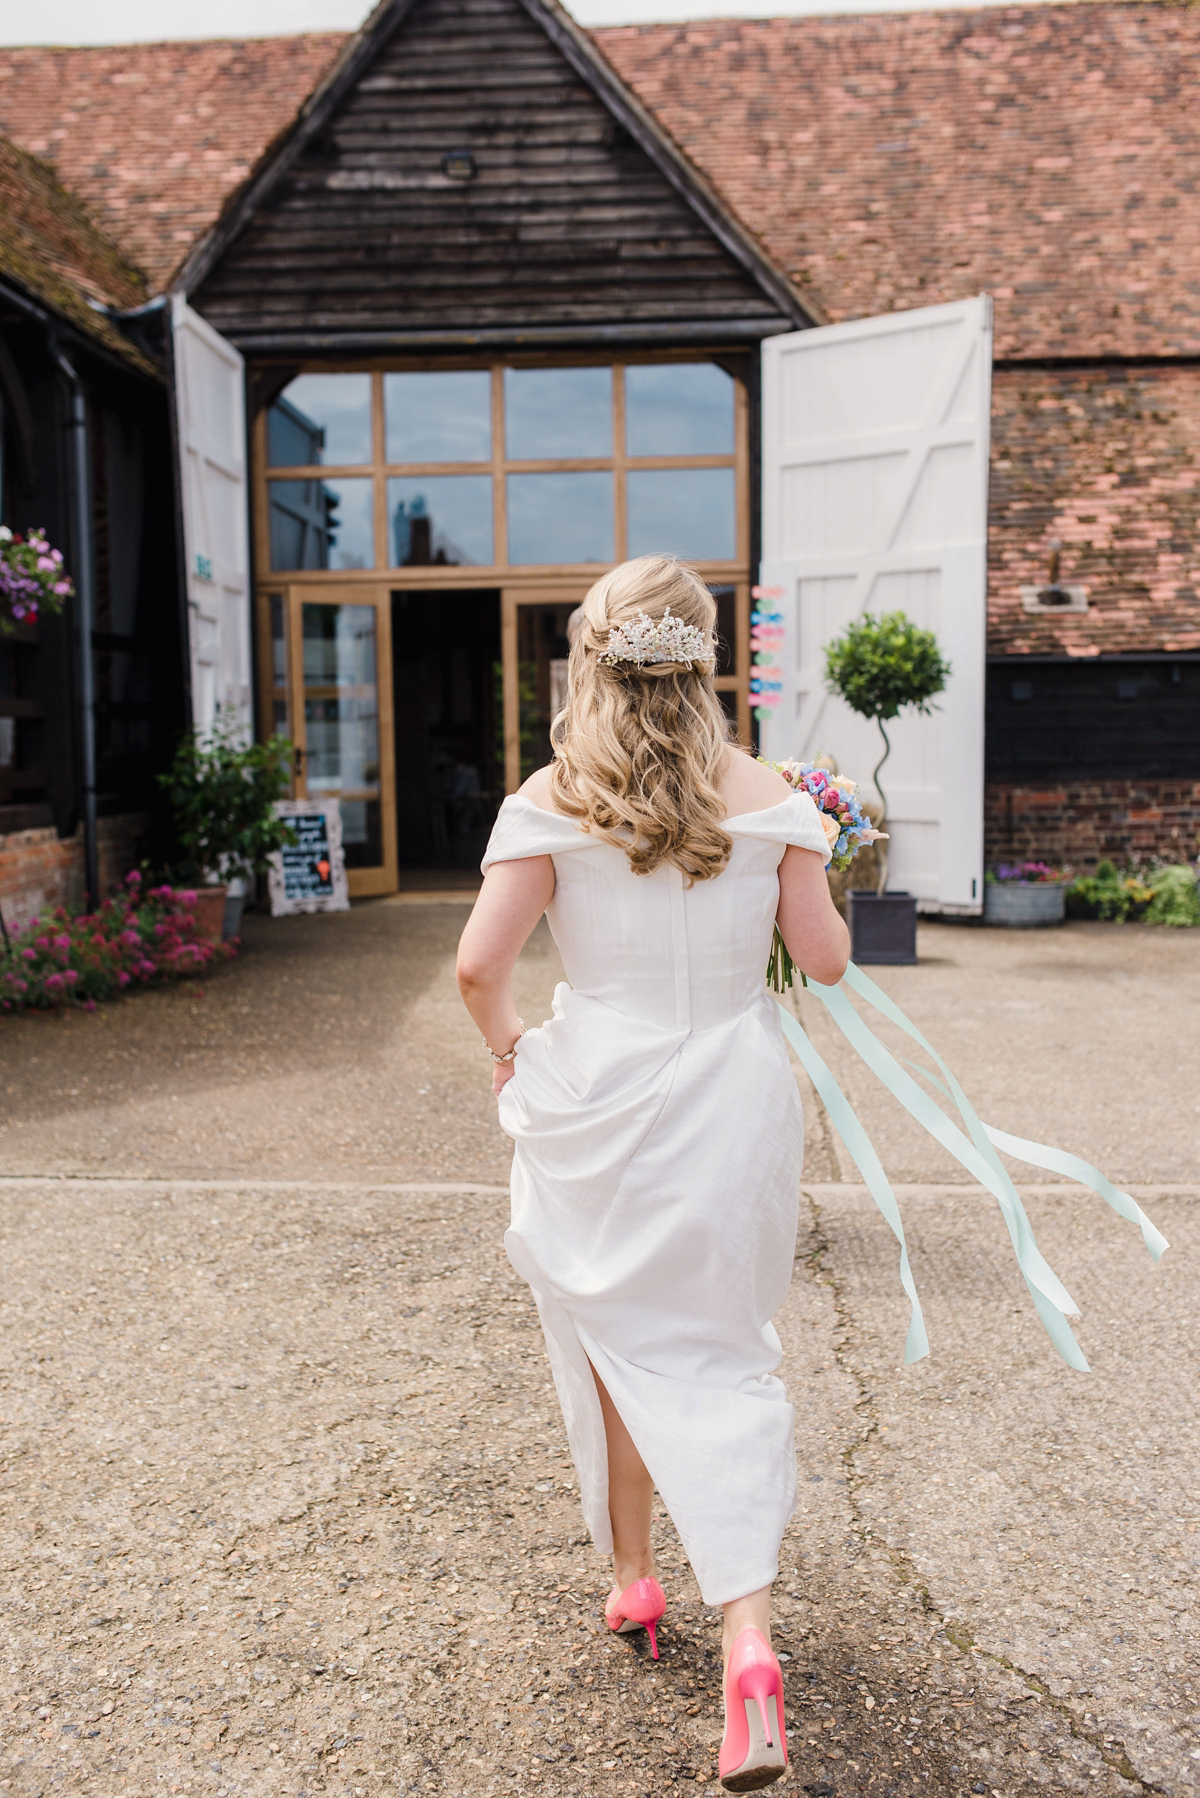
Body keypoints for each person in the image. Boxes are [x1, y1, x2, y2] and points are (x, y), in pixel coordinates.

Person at [456, 554, 849, 1792]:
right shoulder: (773, 794)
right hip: (733, 1095)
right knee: (718, 1350)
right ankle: (746, 1636)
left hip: (599, 1100)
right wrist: (820, 850)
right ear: (708, 654)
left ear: (594, 654)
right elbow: (826, 963)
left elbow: (478, 967)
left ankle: (634, 1576)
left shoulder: (553, 795)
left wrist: (516, 1055)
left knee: (617, 1335)